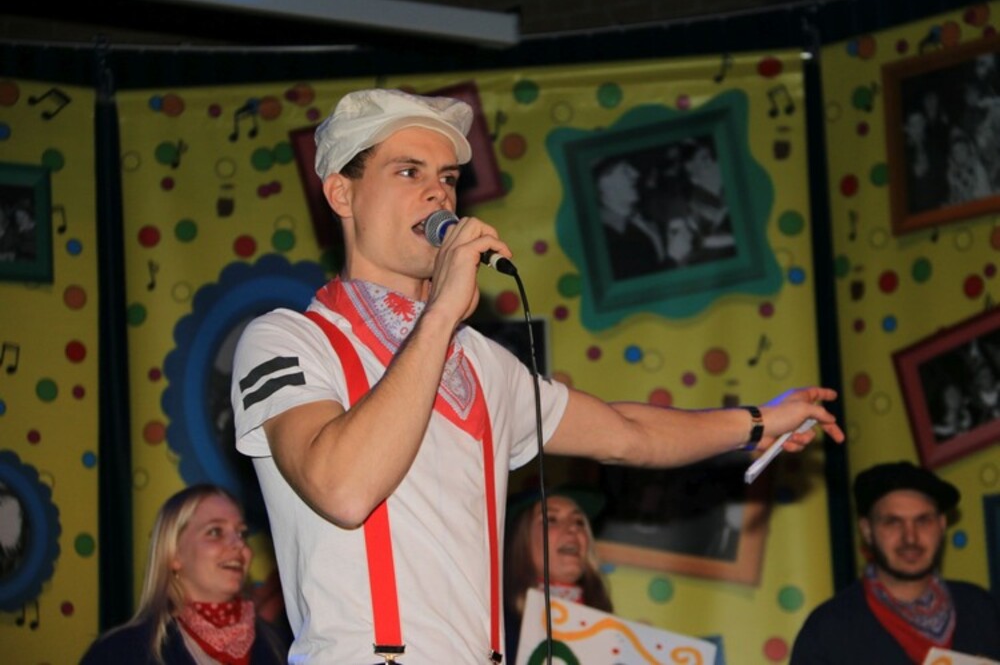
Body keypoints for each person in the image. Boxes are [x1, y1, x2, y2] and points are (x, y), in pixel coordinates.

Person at [229, 87, 844, 663]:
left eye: (448, 178)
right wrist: (441, 313)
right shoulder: (289, 339)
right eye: (409, 172)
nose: (439, 194)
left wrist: (759, 422)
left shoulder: (480, 362)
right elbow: (342, 489)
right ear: (342, 195)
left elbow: (627, 433)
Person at [790, 461, 1000, 664]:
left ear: (942, 525)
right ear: (867, 530)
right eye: (893, 522)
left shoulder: (981, 610)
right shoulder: (829, 630)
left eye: (923, 520)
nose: (910, 538)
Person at [80, 484, 287, 664]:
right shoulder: (120, 653)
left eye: (242, 533)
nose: (239, 545)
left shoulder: (282, 646)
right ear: (174, 554)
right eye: (215, 532)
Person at [503, 486, 612, 662]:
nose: (572, 528)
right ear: (522, 540)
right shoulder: (497, 625)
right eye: (551, 519)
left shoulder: (611, 633)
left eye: (579, 522)